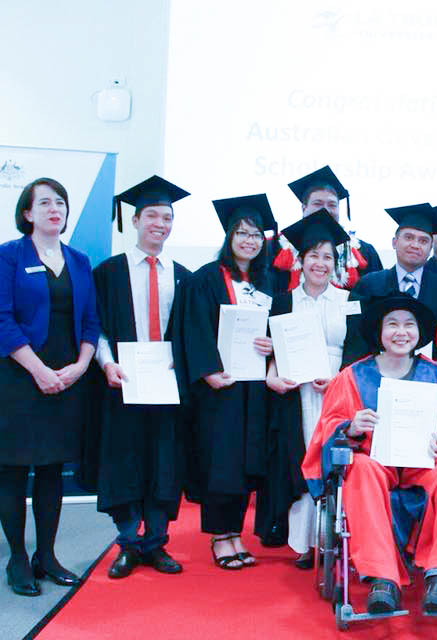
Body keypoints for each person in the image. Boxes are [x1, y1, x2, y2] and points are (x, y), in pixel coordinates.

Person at [301, 295, 437, 614]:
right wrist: (351, 426)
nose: (400, 332)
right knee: (359, 469)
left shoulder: (436, 374)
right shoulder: (352, 376)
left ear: (419, 333)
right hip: (375, 461)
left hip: (425, 462)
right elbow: (329, 426)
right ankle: (382, 579)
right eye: (392, 324)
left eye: (409, 325)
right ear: (379, 332)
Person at [0, 177, 99, 596]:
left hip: (67, 378)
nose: (56, 209)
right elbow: (1, 320)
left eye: (61, 203)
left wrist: (81, 365)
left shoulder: (80, 261)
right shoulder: (9, 255)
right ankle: (17, 558)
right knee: (14, 469)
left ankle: (46, 556)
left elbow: (91, 321)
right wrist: (39, 370)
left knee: (52, 469)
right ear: (28, 213)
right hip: (18, 378)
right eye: (46, 203)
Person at [89, 176, 193, 579]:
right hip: (124, 382)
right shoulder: (109, 273)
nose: (160, 223)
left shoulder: (183, 275)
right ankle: (129, 543)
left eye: (167, 217)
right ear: (135, 220)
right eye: (152, 215)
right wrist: (106, 363)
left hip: (167, 387)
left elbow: (191, 333)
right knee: (125, 462)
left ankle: (157, 543)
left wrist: (180, 363)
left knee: (163, 464)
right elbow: (92, 326)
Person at [179, 194, 276, 569]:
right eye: (242, 233)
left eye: (256, 235)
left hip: (253, 387)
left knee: (245, 460)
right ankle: (221, 537)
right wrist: (207, 372)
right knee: (221, 461)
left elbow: (274, 330)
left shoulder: (266, 281)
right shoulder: (204, 278)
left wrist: (271, 346)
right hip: (220, 386)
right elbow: (194, 328)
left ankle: (237, 533)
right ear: (229, 237)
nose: (249, 241)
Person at [259, 211, 352, 569]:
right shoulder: (282, 302)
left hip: (336, 390)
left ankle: (335, 538)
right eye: (313, 255)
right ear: (300, 259)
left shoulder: (348, 301)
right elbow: (273, 351)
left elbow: (357, 350)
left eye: (327, 256)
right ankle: (304, 544)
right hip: (295, 394)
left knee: (334, 463)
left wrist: (339, 377)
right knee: (300, 461)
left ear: (335, 263)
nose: (320, 263)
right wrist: (272, 376)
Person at [342, 203, 437, 366]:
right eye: (409, 237)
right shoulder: (369, 285)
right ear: (394, 242)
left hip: (429, 379)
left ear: (430, 248)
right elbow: (356, 340)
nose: (415, 245)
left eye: (423, 241)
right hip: (377, 376)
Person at [270, 165, 382, 294]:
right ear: (303, 208)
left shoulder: (364, 252)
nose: (326, 210)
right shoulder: (275, 248)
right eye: (318, 203)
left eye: (332, 205)